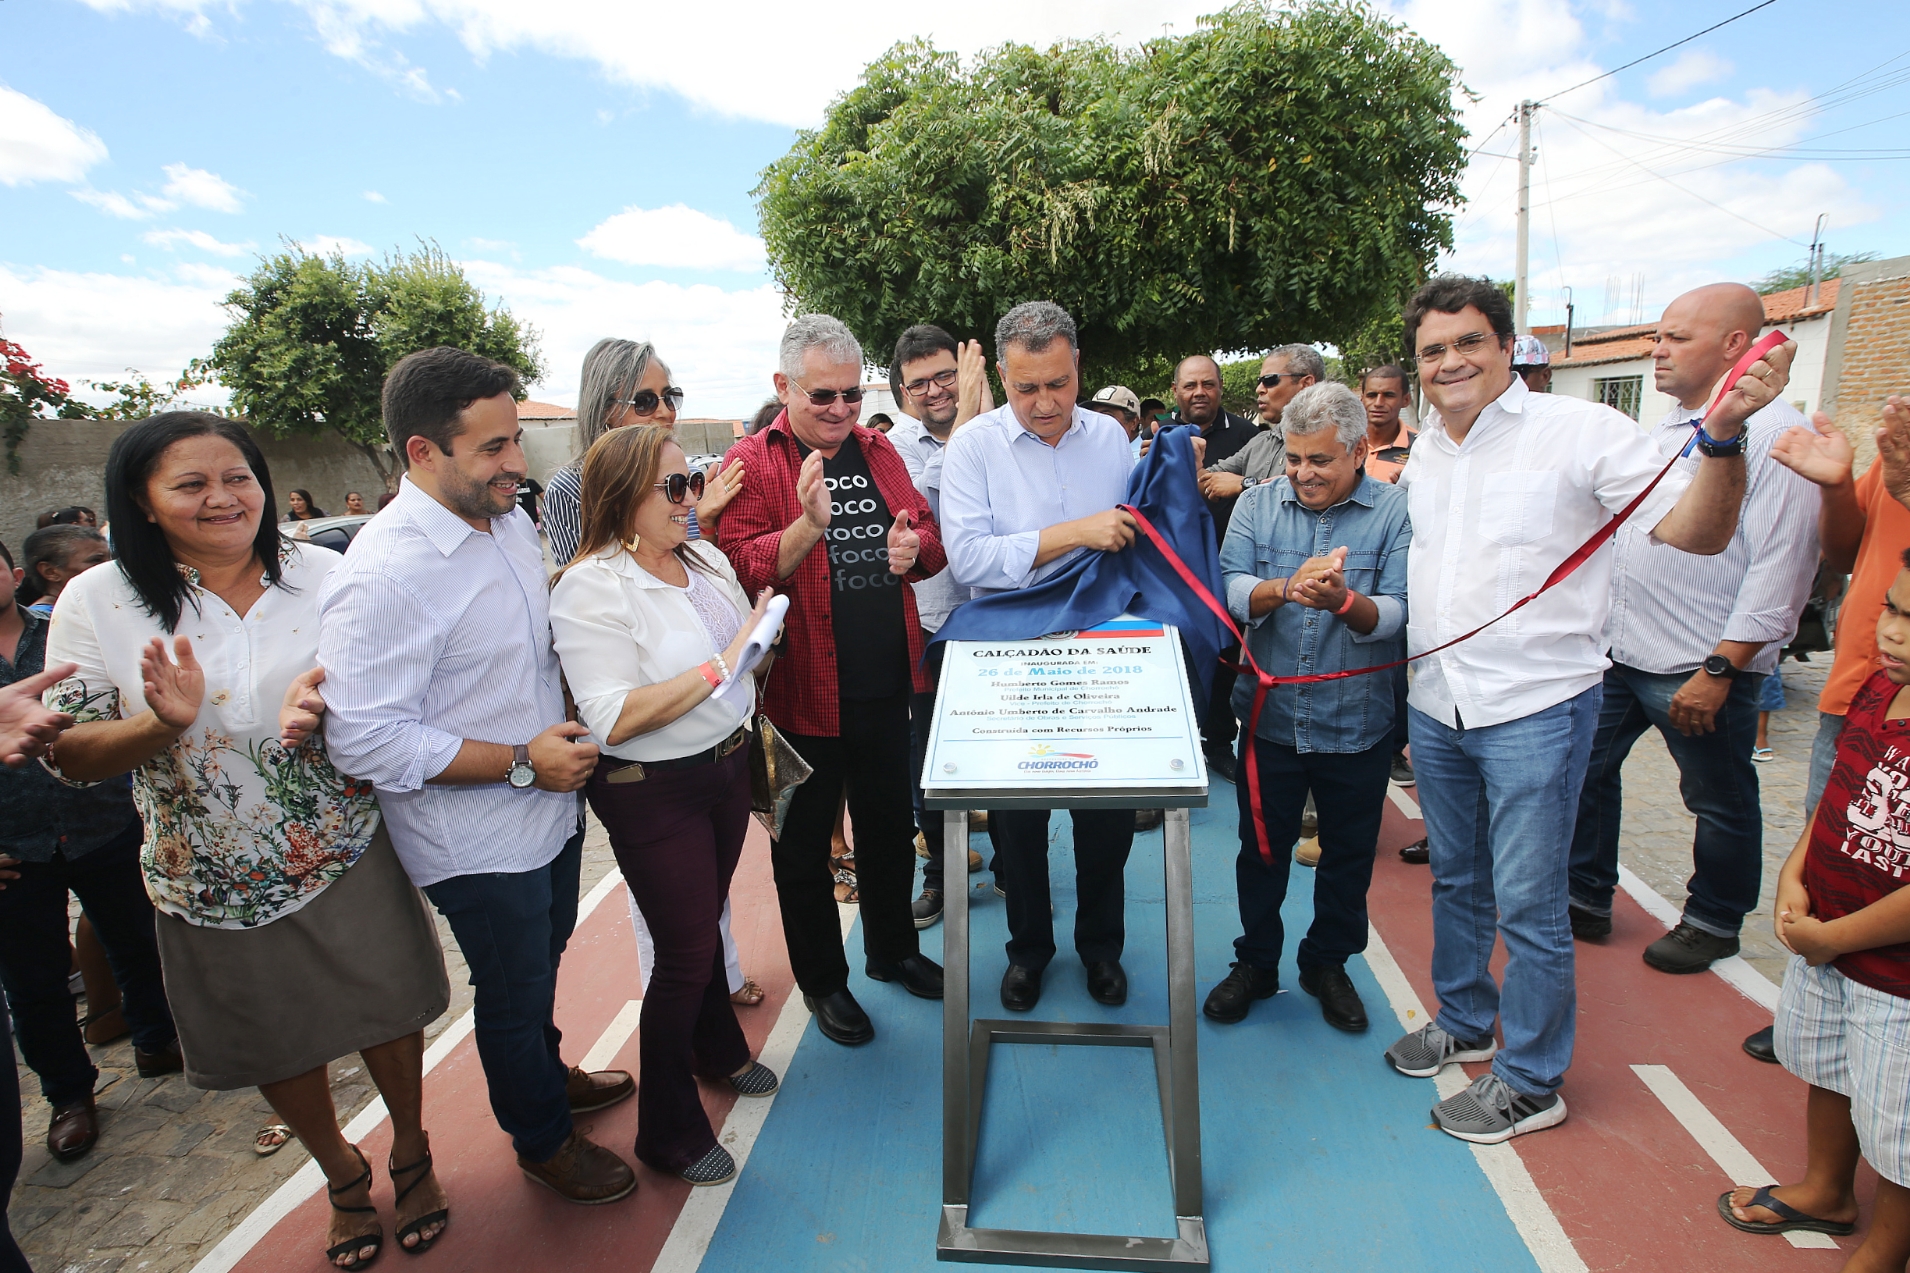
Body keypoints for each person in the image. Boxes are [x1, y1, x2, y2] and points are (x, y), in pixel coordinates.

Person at [1380, 275, 1792, 1144]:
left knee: (1530, 901)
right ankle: (1464, 1018)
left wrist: (1720, 439)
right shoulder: (1429, 451)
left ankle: (1531, 1079)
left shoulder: (1584, 431)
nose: (1451, 361)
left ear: (1506, 348)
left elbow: (1697, 531)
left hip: (1537, 706)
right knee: (1458, 877)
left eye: (1469, 342)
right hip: (1438, 701)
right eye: (1433, 349)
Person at [43, 411, 452, 1267]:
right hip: (206, 873)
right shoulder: (99, 600)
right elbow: (70, 755)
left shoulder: (328, 573)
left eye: (239, 477)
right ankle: (341, 1172)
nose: (223, 498)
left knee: (388, 1007)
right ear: (142, 503)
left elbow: (394, 691)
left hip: (341, 840)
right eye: (190, 485)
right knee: (273, 1034)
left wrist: (338, 707)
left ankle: (411, 1148)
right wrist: (160, 725)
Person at [317, 347, 637, 1205]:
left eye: (516, 442)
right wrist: (525, 760)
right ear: (422, 452)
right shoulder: (386, 572)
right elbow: (367, 742)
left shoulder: (507, 519)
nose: (516, 465)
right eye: (492, 448)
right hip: (477, 840)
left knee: (543, 961)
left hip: (549, 813)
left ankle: (546, 1070)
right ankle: (541, 1138)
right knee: (509, 988)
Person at [550, 425, 782, 1187]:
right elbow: (612, 715)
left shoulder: (701, 556)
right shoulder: (591, 586)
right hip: (653, 790)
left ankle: (716, 1048)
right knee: (683, 953)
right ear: (621, 499)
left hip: (722, 768)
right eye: (674, 487)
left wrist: (756, 643)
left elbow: (739, 655)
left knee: (705, 921)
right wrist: (727, 662)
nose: (692, 499)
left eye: (694, 479)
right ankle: (669, 1130)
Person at [1568, 284, 1821, 973]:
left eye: (1677, 337)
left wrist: (1722, 669)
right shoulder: (1669, 428)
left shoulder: (1774, 434)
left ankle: (1714, 917)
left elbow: (1783, 567)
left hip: (1702, 662)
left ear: (1735, 344)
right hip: (1623, 651)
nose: (1658, 349)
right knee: (1585, 770)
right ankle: (1586, 894)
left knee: (1718, 799)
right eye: (1658, 335)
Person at [717, 314, 948, 1046]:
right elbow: (741, 563)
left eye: (852, 394)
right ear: (783, 386)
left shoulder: (881, 451)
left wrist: (917, 548)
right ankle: (824, 982)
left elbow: (932, 538)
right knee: (804, 850)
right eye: (824, 396)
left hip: (886, 682)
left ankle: (893, 950)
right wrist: (807, 527)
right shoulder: (753, 463)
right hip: (799, 697)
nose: (842, 410)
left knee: (888, 830)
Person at [939, 300, 1141, 1013]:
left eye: (1058, 383)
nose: (1045, 402)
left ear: (1078, 366)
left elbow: (1136, 542)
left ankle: (1100, 947)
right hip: (1010, 660)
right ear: (1001, 374)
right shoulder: (972, 448)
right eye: (1026, 388)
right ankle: (1028, 950)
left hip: (1100, 656)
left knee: (1106, 816)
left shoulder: (1114, 442)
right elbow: (968, 558)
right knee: (1017, 823)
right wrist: (1073, 533)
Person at [542, 339, 755, 999]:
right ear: (604, 408)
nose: (663, 410)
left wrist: (696, 524)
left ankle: (717, 989)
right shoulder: (574, 487)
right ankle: (691, 1005)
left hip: (710, 742)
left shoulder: (672, 477)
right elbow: (596, 576)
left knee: (700, 912)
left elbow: (681, 566)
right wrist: (696, 518)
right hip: (641, 749)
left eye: (671, 396)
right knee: (672, 927)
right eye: (645, 399)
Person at [1716, 550, 1910, 1271]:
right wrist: (1795, 877)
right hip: (1827, 939)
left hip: (1892, 971)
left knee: (1899, 1122)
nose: (1891, 630)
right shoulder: (1874, 691)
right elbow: (1835, 799)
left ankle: (1886, 1250)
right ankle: (1828, 1187)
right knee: (1828, 1064)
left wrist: (1834, 937)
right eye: (1889, 607)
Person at [1205, 382, 1409, 1033]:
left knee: (1348, 856)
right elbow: (1229, 588)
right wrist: (1284, 588)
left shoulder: (1395, 511)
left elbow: (1401, 613)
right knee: (1260, 853)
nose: (1301, 473)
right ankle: (1256, 962)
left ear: (1356, 451)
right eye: (1293, 458)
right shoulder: (1257, 505)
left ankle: (1328, 964)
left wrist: (1344, 602)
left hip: (1359, 725)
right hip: (1269, 725)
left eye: (1318, 460)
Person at [0, 536, 179, 1165]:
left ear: (15, 574)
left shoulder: (66, 625)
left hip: (103, 821)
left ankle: (158, 1041)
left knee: (136, 939)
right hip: (14, 852)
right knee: (35, 981)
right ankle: (70, 1097)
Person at [1749, 393, 1910, 1062]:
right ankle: (1829, 1001)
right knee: (1840, 842)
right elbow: (1847, 550)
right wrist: (1840, 484)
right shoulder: (1896, 454)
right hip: (1864, 693)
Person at [886, 324, 993, 928]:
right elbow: (933, 500)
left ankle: (1011, 870)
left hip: (994, 620)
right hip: (928, 627)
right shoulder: (894, 449)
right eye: (919, 383)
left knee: (1000, 751)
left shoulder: (1001, 426)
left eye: (945, 376)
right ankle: (942, 876)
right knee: (929, 757)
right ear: (903, 392)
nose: (935, 391)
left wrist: (980, 422)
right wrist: (973, 426)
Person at [1164, 355, 1259, 781]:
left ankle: (1218, 743)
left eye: (1208, 384)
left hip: (1227, 572)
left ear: (1220, 387)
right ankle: (1169, 747)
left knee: (1224, 662)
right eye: (1190, 385)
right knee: (1172, 664)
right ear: (1176, 391)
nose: (1199, 392)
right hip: (1171, 577)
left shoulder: (1248, 437)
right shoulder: (1160, 437)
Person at [1359, 364, 1421, 795]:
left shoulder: (1423, 448)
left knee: (1393, 667)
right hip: (1349, 567)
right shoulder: (1348, 443)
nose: (1379, 403)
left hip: (1397, 571)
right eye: (1372, 395)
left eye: (1389, 395)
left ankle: (1394, 746)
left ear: (1405, 399)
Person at [18, 524, 111, 616]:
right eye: (96, 560)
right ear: (50, 572)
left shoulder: (92, 606)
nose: (112, 566)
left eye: (112, 558)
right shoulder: (44, 622)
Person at [1086, 385, 1145, 459]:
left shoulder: (1146, 459)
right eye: (1094, 416)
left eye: (1106, 416)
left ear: (1133, 422)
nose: (1097, 423)